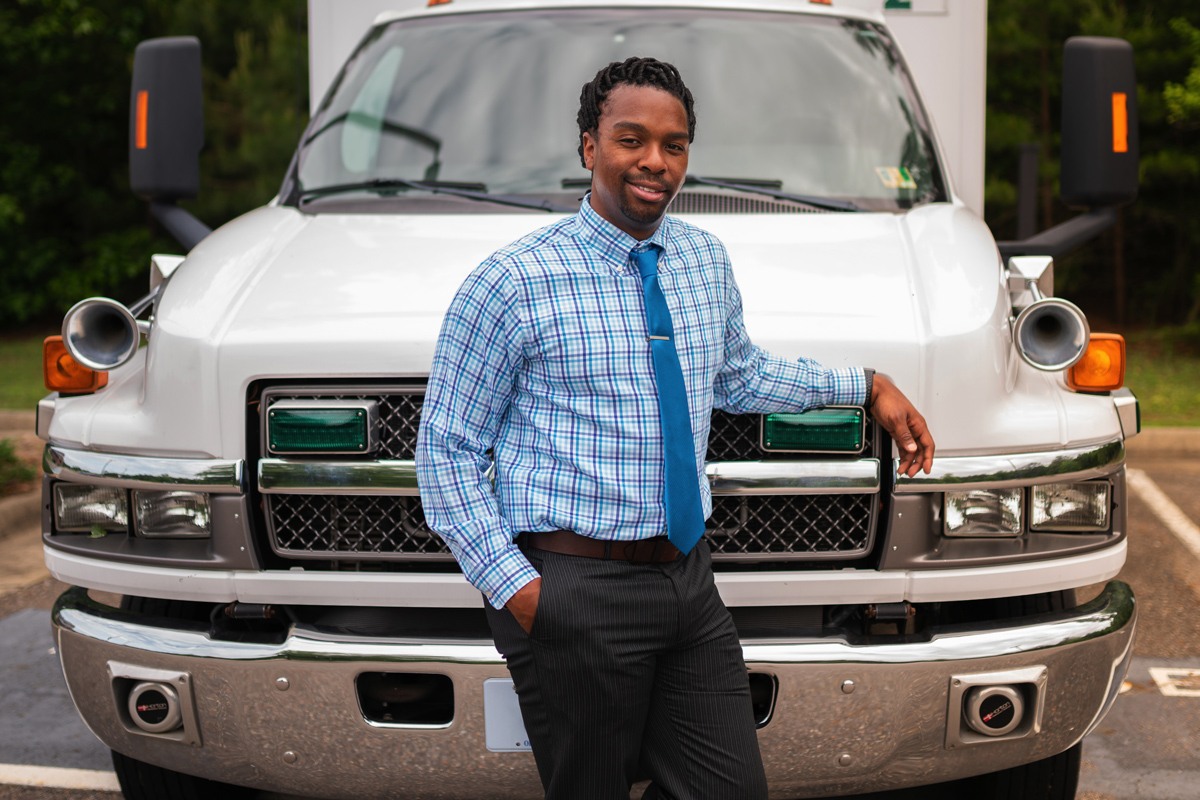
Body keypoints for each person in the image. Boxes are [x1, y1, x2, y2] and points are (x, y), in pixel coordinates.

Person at [415, 56, 934, 800]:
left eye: (675, 143)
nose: (655, 161)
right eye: (631, 139)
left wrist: (866, 386)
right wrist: (520, 592)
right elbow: (447, 453)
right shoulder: (510, 283)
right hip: (572, 586)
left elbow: (740, 376)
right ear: (589, 146)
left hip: (688, 584)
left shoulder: (702, 260)